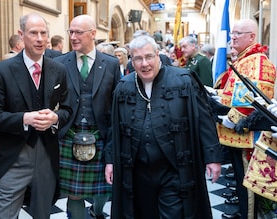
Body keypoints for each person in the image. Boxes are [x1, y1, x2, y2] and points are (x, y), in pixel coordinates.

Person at [105, 35, 222, 219]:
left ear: (158, 55)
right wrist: (110, 160)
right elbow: (115, 128)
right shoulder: (124, 87)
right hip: (137, 171)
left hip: (174, 170)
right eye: (138, 59)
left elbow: (204, 120)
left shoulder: (183, 80)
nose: (144, 64)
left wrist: (212, 157)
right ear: (132, 61)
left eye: (149, 56)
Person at [0, 13, 72, 219]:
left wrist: (55, 118)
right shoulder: (3, 70)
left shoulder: (59, 69)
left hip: (46, 154)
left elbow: (68, 110)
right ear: (21, 35)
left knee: (43, 213)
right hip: (14, 154)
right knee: (5, 214)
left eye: (44, 33)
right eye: (34, 33)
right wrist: (25, 119)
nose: (40, 38)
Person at [54, 14, 120, 219]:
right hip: (69, 134)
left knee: (104, 188)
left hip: (101, 134)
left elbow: (117, 102)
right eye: (70, 32)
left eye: (78, 32)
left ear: (93, 34)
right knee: (74, 194)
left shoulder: (111, 63)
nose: (73, 36)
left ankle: (97, 212)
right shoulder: (59, 62)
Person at [214, 19, 276, 219]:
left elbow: (250, 101)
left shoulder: (257, 62)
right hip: (238, 135)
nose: (232, 37)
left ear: (252, 36)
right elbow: (234, 93)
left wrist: (229, 119)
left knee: (248, 183)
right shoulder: (244, 59)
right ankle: (243, 212)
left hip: (249, 136)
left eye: (238, 33)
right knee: (240, 179)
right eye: (232, 33)